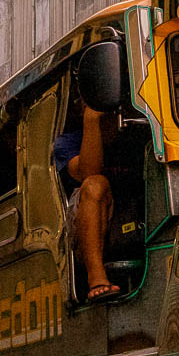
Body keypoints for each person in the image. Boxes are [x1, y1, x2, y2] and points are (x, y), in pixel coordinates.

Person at [53, 97, 120, 301]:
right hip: (88, 219)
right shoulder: (66, 142)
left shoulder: (136, 126)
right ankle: (97, 277)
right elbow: (88, 173)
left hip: (129, 213)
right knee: (94, 184)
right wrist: (91, 120)